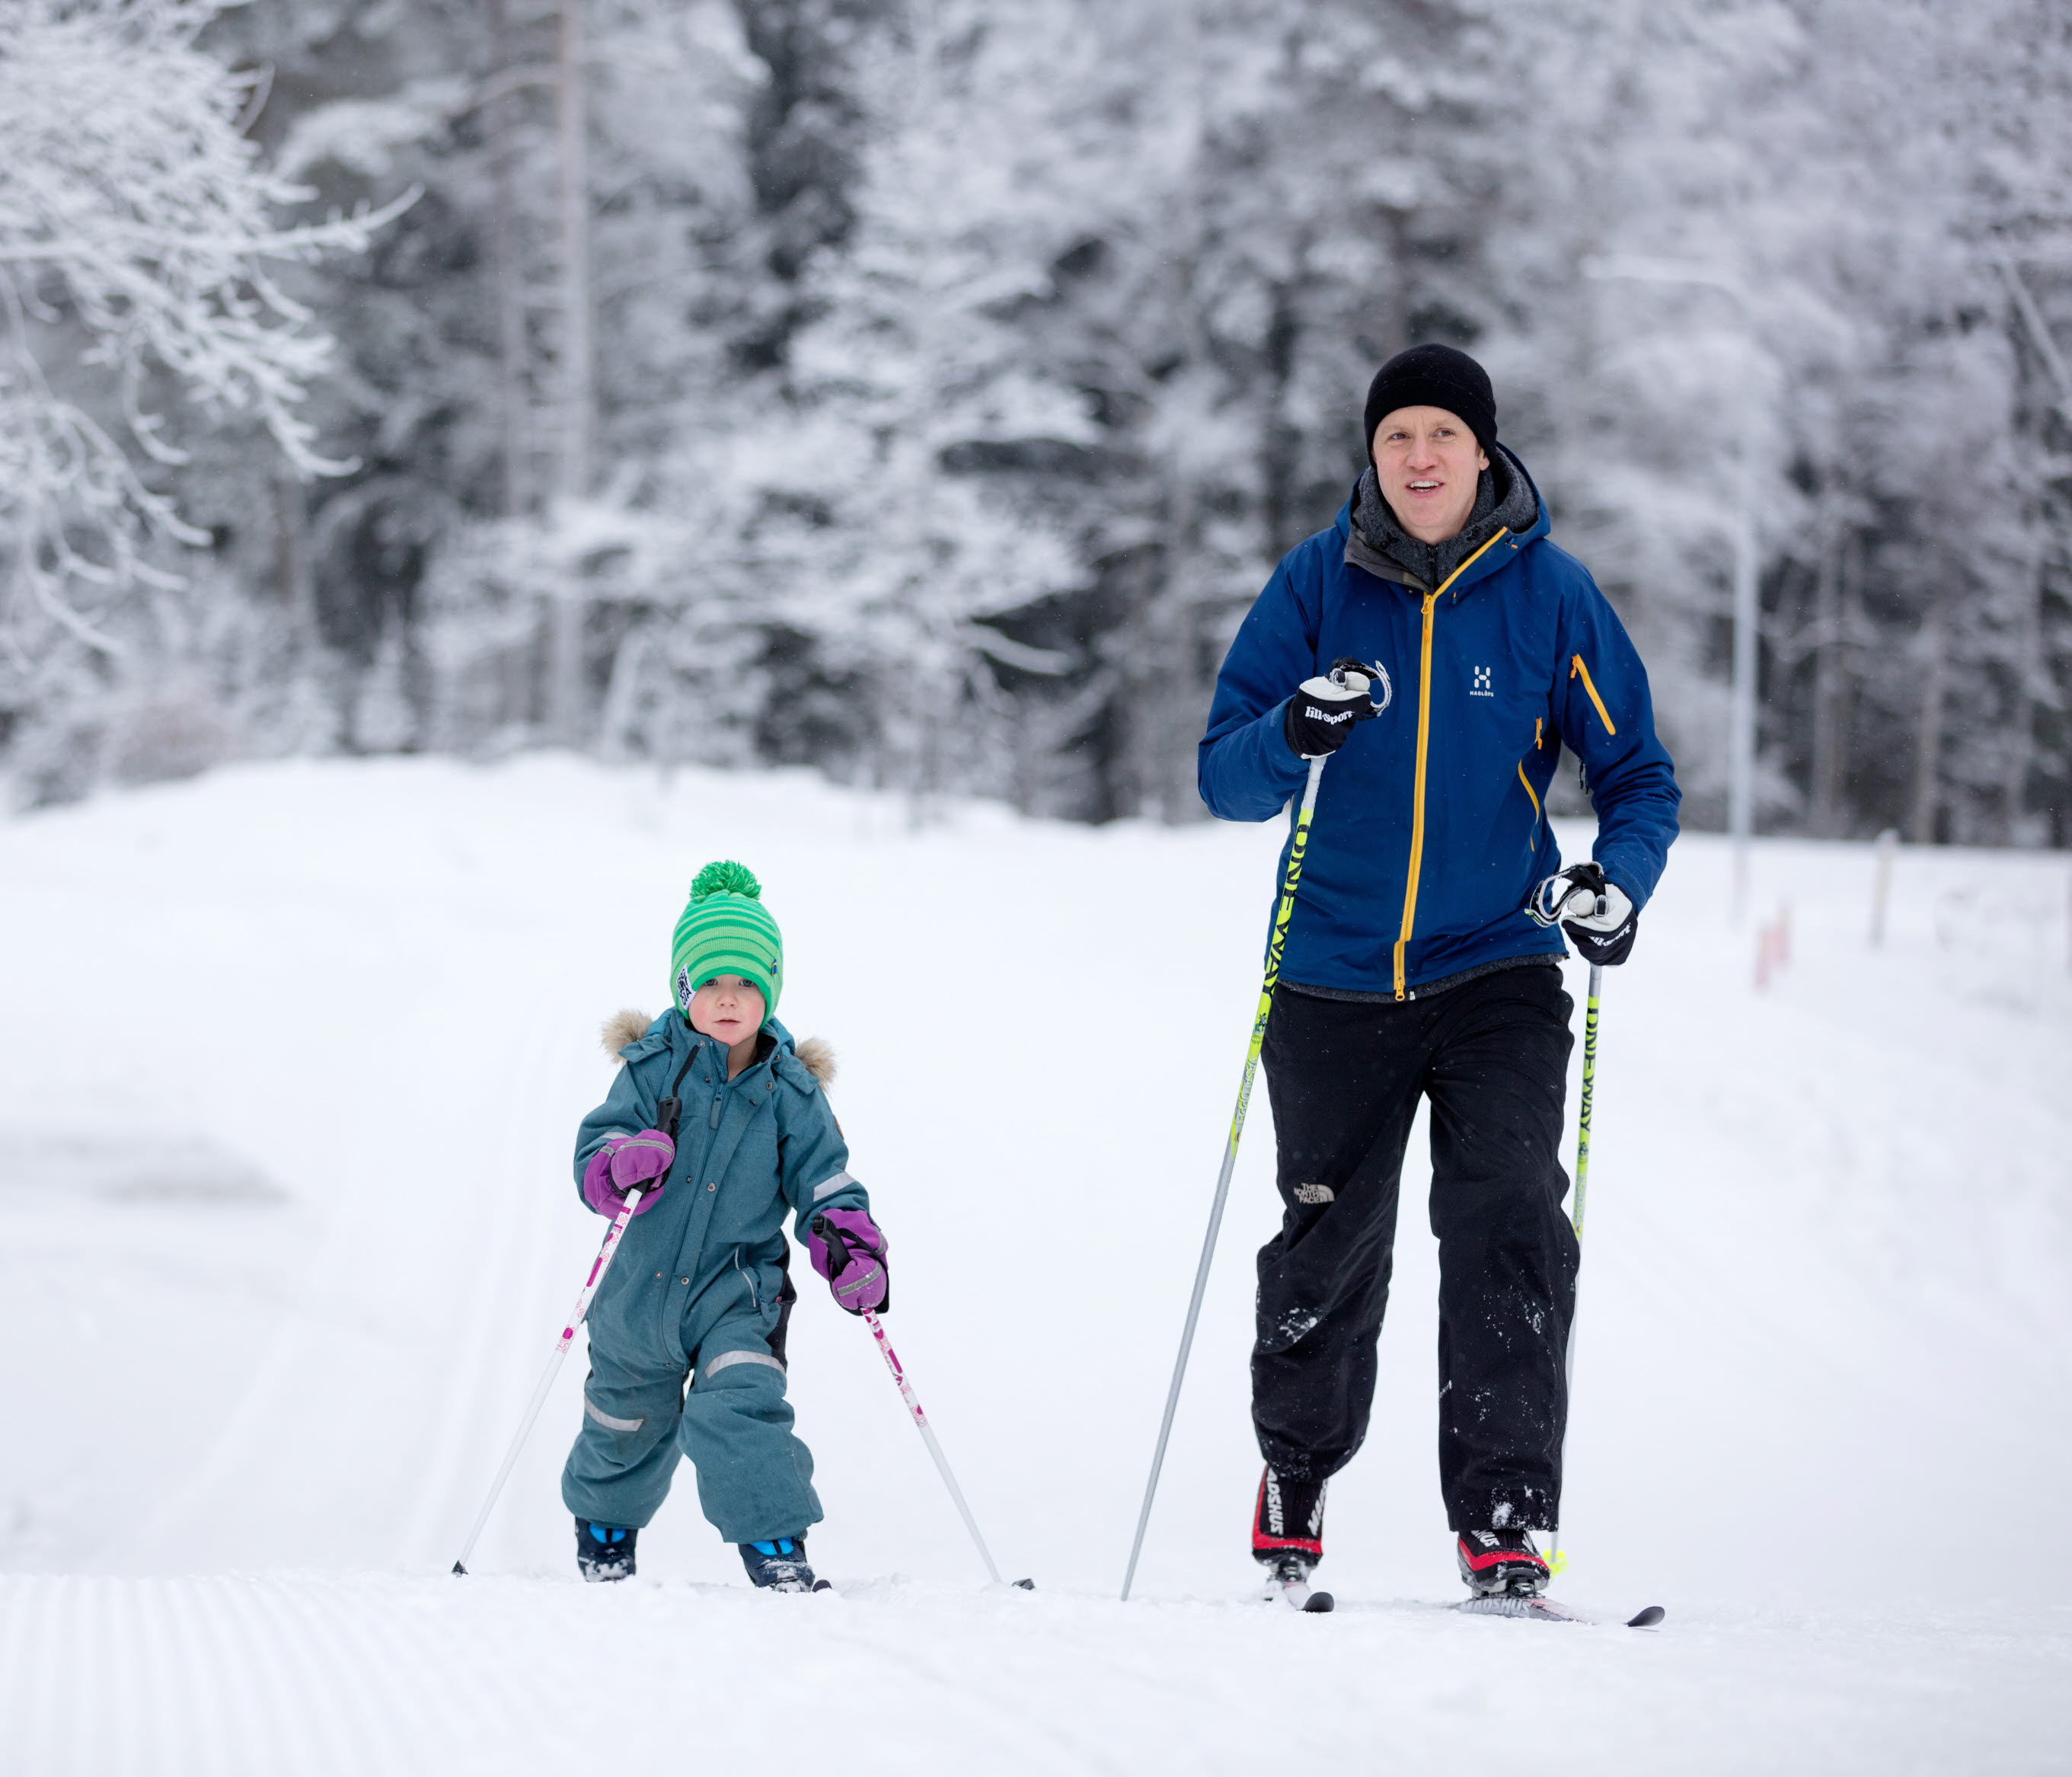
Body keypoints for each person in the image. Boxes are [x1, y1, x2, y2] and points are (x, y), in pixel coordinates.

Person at [1198, 343, 1681, 1603]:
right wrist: (1289, 729)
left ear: (1484, 451)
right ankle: (1294, 1469)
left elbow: (1636, 776)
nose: (1420, 457)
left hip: (1496, 963)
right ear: (1373, 454)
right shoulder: (1316, 583)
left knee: (1508, 1215)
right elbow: (1223, 772)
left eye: (1443, 436)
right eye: (1398, 436)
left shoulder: (1550, 597)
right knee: (1326, 1239)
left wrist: (1617, 885)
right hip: (1332, 969)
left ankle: (1507, 1507)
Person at [560, 860, 887, 1592]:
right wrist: (620, 1163)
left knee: (741, 1404)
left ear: (769, 989)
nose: (728, 999)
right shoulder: (648, 1070)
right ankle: (605, 1528)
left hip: (736, 1293)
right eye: (710, 982)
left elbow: (826, 1177)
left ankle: (776, 1544)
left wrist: (846, 1237)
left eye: (745, 983)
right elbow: (596, 1150)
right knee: (623, 1421)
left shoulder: (791, 1090)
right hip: (638, 1290)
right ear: (684, 988)